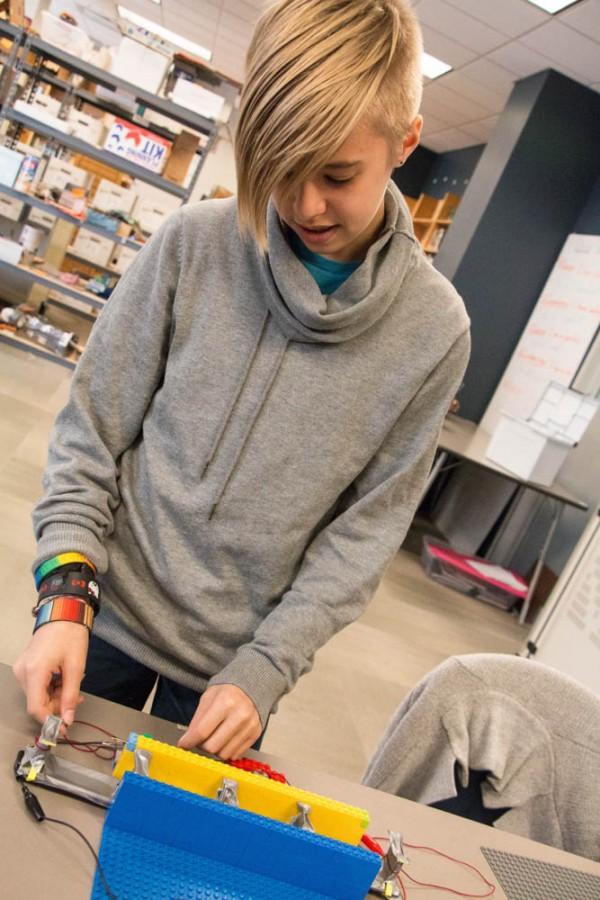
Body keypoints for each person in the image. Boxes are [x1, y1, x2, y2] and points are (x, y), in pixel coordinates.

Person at [13, 0, 470, 761]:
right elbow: (91, 429)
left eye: (336, 174)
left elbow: (359, 542)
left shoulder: (435, 334)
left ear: (405, 144)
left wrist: (265, 671)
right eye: (277, 169)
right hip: (97, 619)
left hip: (232, 679)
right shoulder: (193, 244)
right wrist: (64, 594)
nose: (300, 203)